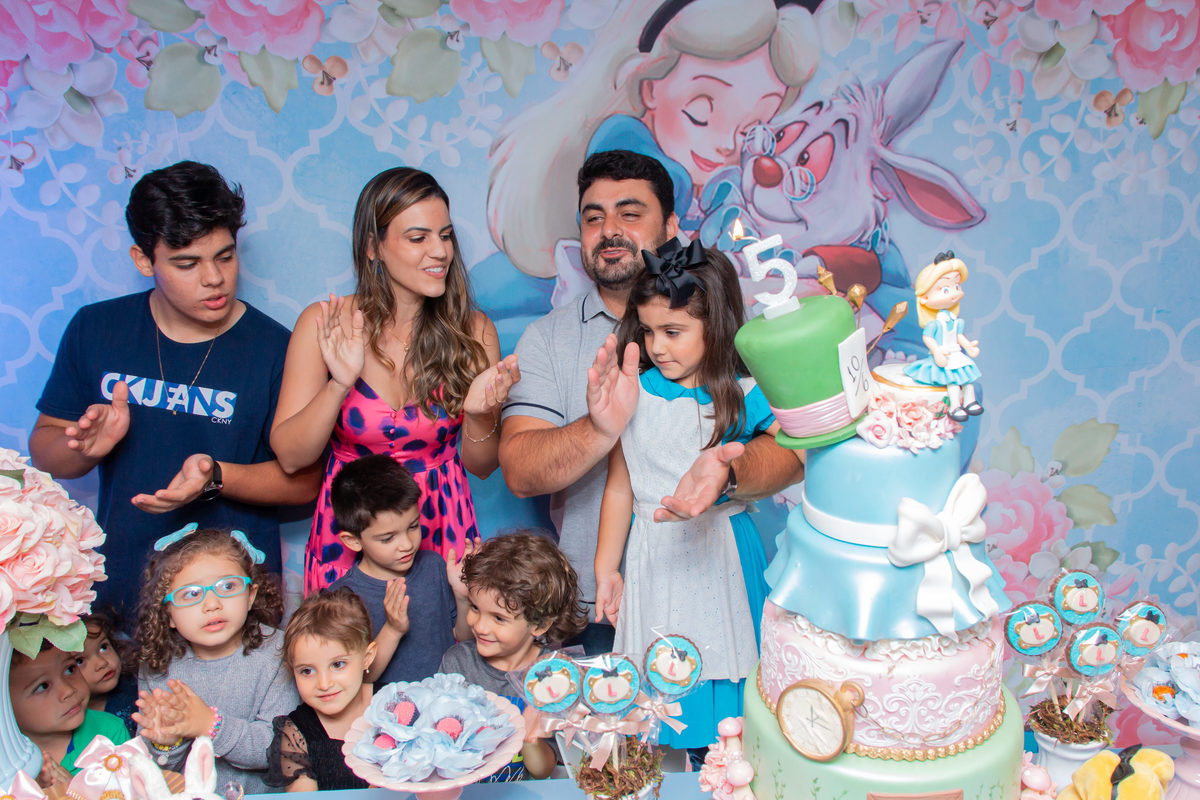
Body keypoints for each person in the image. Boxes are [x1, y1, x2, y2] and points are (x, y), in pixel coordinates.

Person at [498, 150, 804, 653]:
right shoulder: (549, 340)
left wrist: (728, 473)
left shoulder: (735, 360)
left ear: (671, 227)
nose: (609, 229)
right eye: (593, 217)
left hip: (720, 569)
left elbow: (794, 451)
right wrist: (603, 426)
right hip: (608, 606)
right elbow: (522, 470)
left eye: (630, 213)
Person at [29, 160, 322, 614]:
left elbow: (305, 485)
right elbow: (45, 451)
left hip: (234, 604)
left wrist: (215, 476)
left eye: (225, 256)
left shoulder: (278, 349)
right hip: (124, 592)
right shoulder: (96, 328)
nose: (214, 278)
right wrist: (85, 448)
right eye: (187, 263)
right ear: (143, 259)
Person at [270, 167, 520, 593]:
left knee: (443, 634)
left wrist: (480, 414)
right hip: (354, 530)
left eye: (446, 236)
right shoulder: (324, 323)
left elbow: (481, 467)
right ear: (374, 247)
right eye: (418, 238)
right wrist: (338, 385)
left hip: (439, 525)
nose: (440, 251)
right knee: (347, 636)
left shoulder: (474, 331)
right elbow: (292, 458)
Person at [487, 0, 820, 289]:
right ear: (649, 87)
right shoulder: (630, 151)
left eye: (749, 129)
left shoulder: (716, 198)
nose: (725, 144)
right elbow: (664, 280)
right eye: (699, 113)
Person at [594, 243, 777, 751]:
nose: (657, 346)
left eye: (672, 332)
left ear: (714, 326)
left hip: (724, 554)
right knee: (659, 691)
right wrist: (607, 568)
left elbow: (796, 452)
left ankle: (725, 765)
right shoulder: (633, 391)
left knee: (730, 674)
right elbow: (621, 486)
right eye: (648, 331)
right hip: (653, 556)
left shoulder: (744, 394)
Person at [132, 527, 299, 795]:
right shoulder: (158, 664)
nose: (212, 604)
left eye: (227, 586)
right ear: (168, 614)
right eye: (191, 593)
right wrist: (167, 744)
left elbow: (281, 750)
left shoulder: (278, 652)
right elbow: (154, 770)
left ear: (250, 596)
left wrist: (211, 724)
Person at [439, 532, 588, 781]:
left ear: (539, 624)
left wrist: (530, 738)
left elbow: (543, 771)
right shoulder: (457, 663)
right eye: (475, 607)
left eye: (498, 618)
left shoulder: (555, 677)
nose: (480, 626)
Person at [327, 454, 472, 685]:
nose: (406, 544)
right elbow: (359, 679)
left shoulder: (433, 566)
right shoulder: (343, 597)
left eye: (413, 526)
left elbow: (463, 638)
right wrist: (393, 629)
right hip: (386, 705)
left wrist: (463, 596)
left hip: (446, 698)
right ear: (353, 541)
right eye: (387, 538)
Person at [266, 589, 377, 791]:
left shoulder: (395, 706)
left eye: (338, 665)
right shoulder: (296, 734)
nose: (324, 684)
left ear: (367, 658)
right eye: (307, 671)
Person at [9, 642, 131, 777]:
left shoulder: (108, 732)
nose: (68, 690)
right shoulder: (7, 764)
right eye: (43, 686)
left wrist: (71, 788)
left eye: (70, 669)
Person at [903, 252, 982, 422]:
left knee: (967, 381)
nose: (955, 293)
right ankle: (955, 407)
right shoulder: (934, 324)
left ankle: (970, 402)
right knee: (952, 384)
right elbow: (928, 339)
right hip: (944, 357)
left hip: (956, 355)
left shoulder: (956, 320)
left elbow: (959, 336)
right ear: (924, 298)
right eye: (945, 289)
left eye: (957, 286)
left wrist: (968, 346)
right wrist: (937, 352)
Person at [79, 607, 139, 735]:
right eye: (79, 661)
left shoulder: (137, 690)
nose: (102, 663)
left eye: (103, 647)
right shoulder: (67, 720)